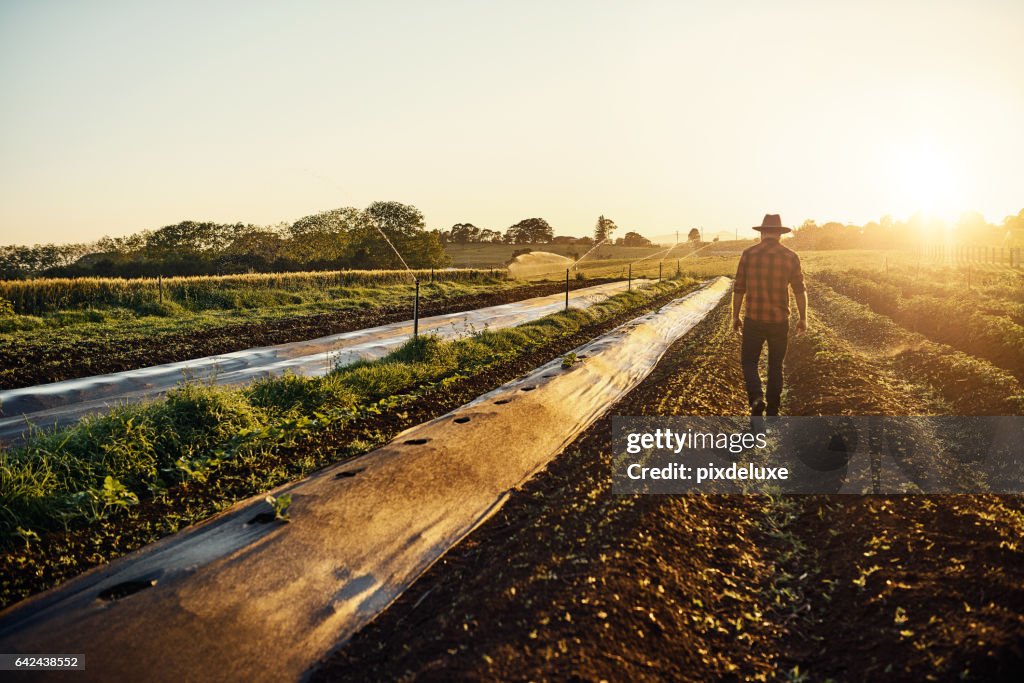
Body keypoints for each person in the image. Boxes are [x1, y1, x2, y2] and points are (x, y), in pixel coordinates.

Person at [732, 214, 807, 416]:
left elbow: (738, 288)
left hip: (753, 319)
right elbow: (800, 290)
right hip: (779, 321)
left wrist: (735, 316)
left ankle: (756, 398)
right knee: (776, 365)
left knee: (749, 362)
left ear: (762, 232)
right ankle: (773, 410)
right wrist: (803, 318)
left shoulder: (749, 254)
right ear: (780, 234)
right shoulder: (790, 256)